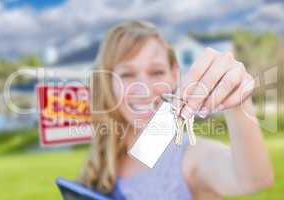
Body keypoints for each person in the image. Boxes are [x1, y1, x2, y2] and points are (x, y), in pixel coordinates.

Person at [78, 21, 274, 200]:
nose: (143, 87)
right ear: (108, 82)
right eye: (127, 74)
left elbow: (252, 179)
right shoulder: (107, 151)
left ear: (174, 75)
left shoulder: (189, 157)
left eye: (156, 72)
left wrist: (238, 103)